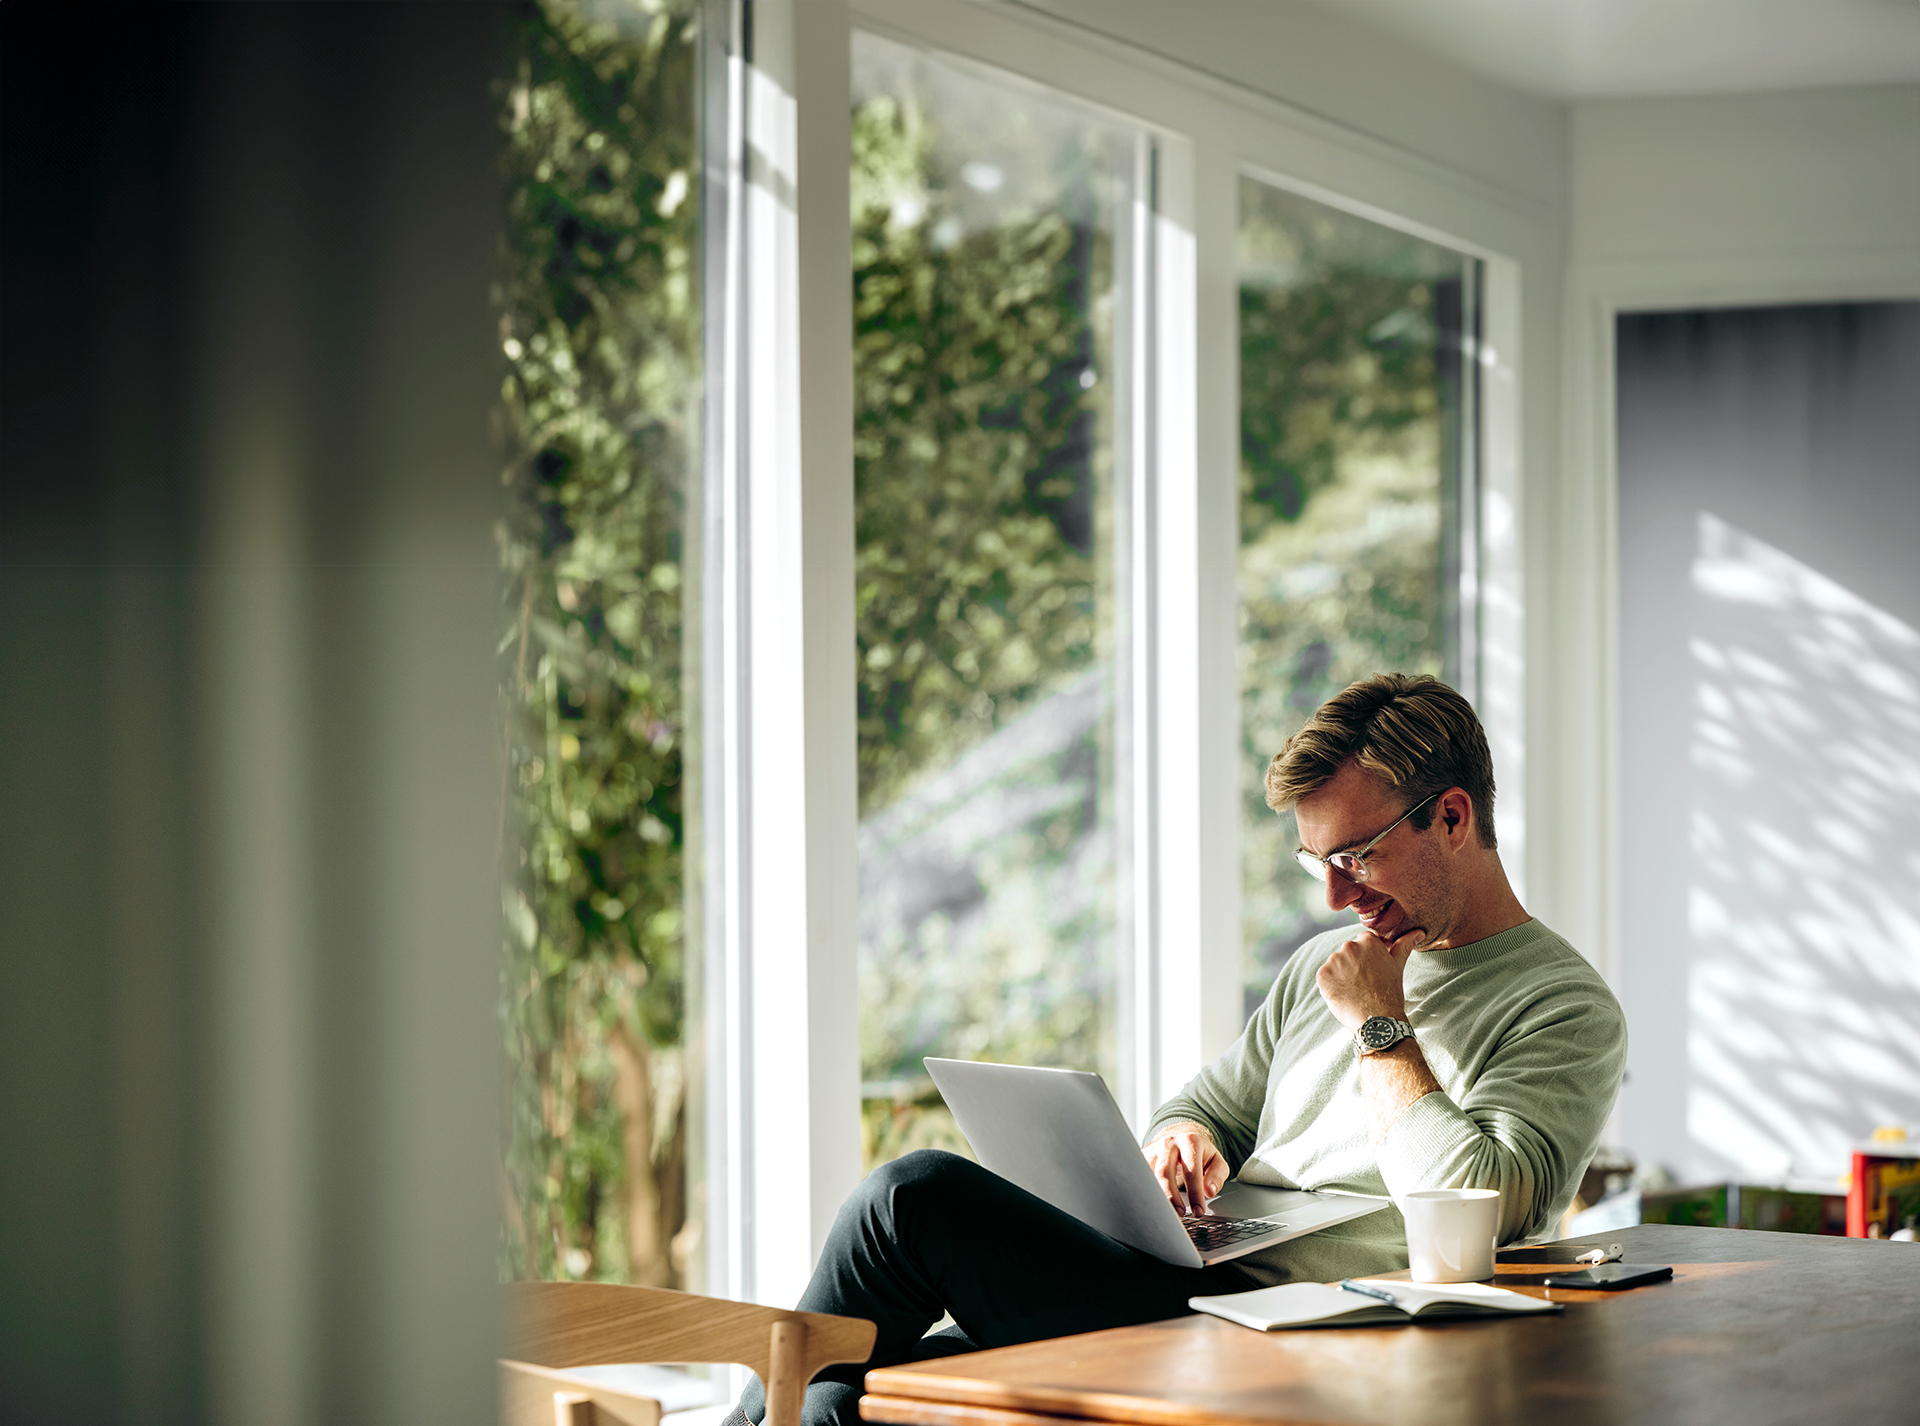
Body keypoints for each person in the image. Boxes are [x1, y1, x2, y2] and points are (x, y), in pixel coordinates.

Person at [730, 674, 1626, 1426]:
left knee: (912, 1197)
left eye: (1356, 855)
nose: (1332, 897)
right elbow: (1207, 1106)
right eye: (1315, 862)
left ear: (1453, 817)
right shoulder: (1324, 966)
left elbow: (1490, 1208)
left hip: (1303, 1329)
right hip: (1183, 1280)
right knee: (842, 1397)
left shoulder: (1563, 1007)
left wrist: (1379, 1026)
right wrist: (1180, 1140)